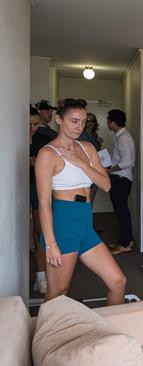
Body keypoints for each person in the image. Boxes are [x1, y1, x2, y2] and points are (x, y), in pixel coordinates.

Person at [35, 98, 126, 304]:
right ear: (59, 119)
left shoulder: (87, 148)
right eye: (74, 121)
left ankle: (113, 334)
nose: (80, 126)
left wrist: (82, 164)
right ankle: (47, 336)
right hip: (63, 223)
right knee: (58, 293)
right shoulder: (48, 154)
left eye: (83, 121)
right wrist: (50, 244)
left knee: (118, 281)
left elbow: (106, 184)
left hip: (85, 223)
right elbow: (44, 203)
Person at [106, 109, 136, 254]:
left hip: (121, 178)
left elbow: (127, 162)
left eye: (108, 120)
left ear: (113, 122)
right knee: (120, 211)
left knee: (121, 211)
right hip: (119, 177)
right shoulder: (119, 136)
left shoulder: (123, 137)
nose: (107, 123)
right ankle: (125, 240)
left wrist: (110, 170)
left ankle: (125, 244)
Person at [30, 106, 52, 294]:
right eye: (29, 124)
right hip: (17, 187)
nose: (33, 128)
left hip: (37, 187)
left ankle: (41, 276)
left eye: (36, 124)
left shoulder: (46, 138)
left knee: (39, 232)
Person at [78, 112, 103, 204]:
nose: (90, 123)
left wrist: (99, 144)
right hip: (84, 171)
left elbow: (97, 153)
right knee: (84, 199)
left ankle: (88, 217)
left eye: (92, 121)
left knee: (91, 200)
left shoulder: (94, 136)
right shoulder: (80, 135)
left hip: (95, 170)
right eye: (87, 121)